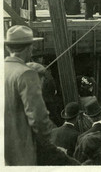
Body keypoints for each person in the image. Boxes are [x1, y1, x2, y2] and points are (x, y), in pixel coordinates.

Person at [4, 25, 59, 165]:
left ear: (8, 48)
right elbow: (38, 117)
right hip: (21, 152)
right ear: (29, 48)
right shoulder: (26, 73)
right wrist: (50, 144)